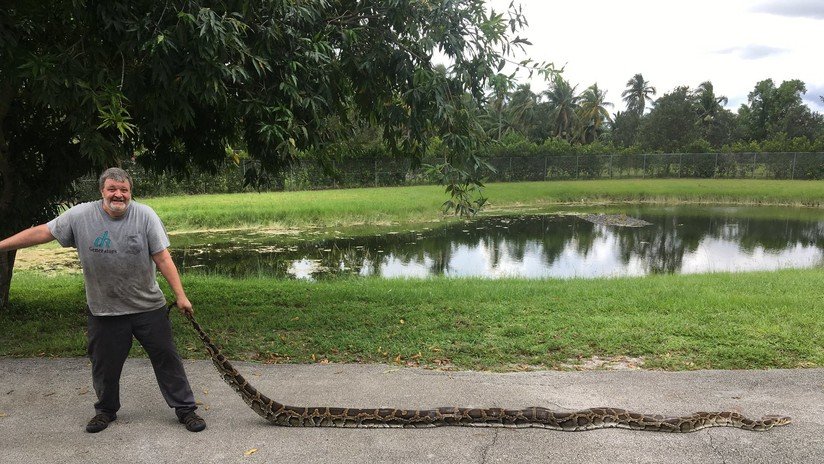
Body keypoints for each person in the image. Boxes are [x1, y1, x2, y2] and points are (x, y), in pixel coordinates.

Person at [0, 167, 206, 433]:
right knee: (104, 365)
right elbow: (43, 232)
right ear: (102, 191)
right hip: (104, 310)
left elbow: (162, 257)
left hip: (148, 308)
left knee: (167, 358)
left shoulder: (145, 216)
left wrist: (181, 296)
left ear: (131, 193)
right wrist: (2, 246)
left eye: (124, 190)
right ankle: (106, 410)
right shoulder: (81, 215)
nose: (118, 195)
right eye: (112, 189)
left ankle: (186, 410)